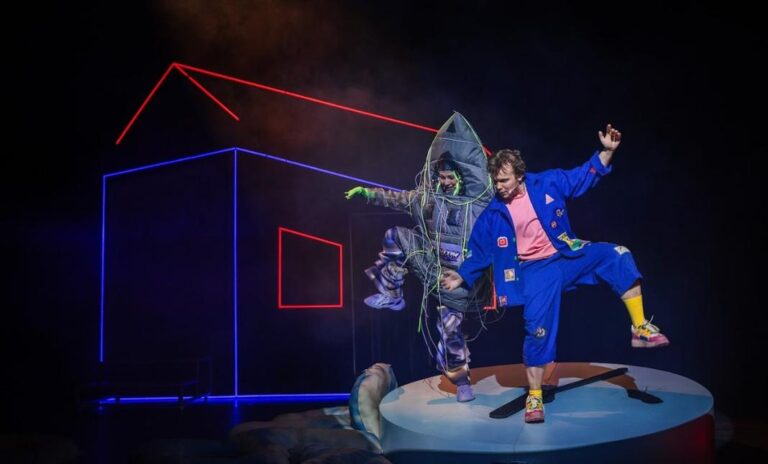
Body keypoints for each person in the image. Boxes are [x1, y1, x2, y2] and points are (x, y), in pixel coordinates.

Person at [441, 124, 669, 423]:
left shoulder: (547, 183)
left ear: (520, 176)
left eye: (504, 180)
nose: (499, 186)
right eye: (495, 181)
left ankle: (639, 327)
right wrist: (462, 275)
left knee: (618, 255)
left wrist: (606, 151)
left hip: (566, 254)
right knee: (536, 329)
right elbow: (478, 250)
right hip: (535, 270)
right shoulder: (493, 213)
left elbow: (581, 177)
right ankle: (535, 396)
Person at [345, 112, 493, 402]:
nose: (446, 182)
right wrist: (367, 193)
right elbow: (396, 198)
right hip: (435, 269)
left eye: (450, 177)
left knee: (450, 329)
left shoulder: (478, 204)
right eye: (442, 177)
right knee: (395, 235)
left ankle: (462, 381)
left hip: (464, 279)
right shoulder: (427, 200)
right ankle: (392, 294)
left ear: (461, 177)